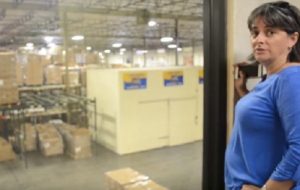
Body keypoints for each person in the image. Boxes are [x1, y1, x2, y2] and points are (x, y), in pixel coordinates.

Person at [225, 1, 300, 190]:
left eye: (270, 32)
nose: (259, 39)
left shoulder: (291, 78)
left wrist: (268, 189)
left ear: (293, 39)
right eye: (254, 32)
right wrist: (242, 91)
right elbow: (264, 117)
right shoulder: (272, 79)